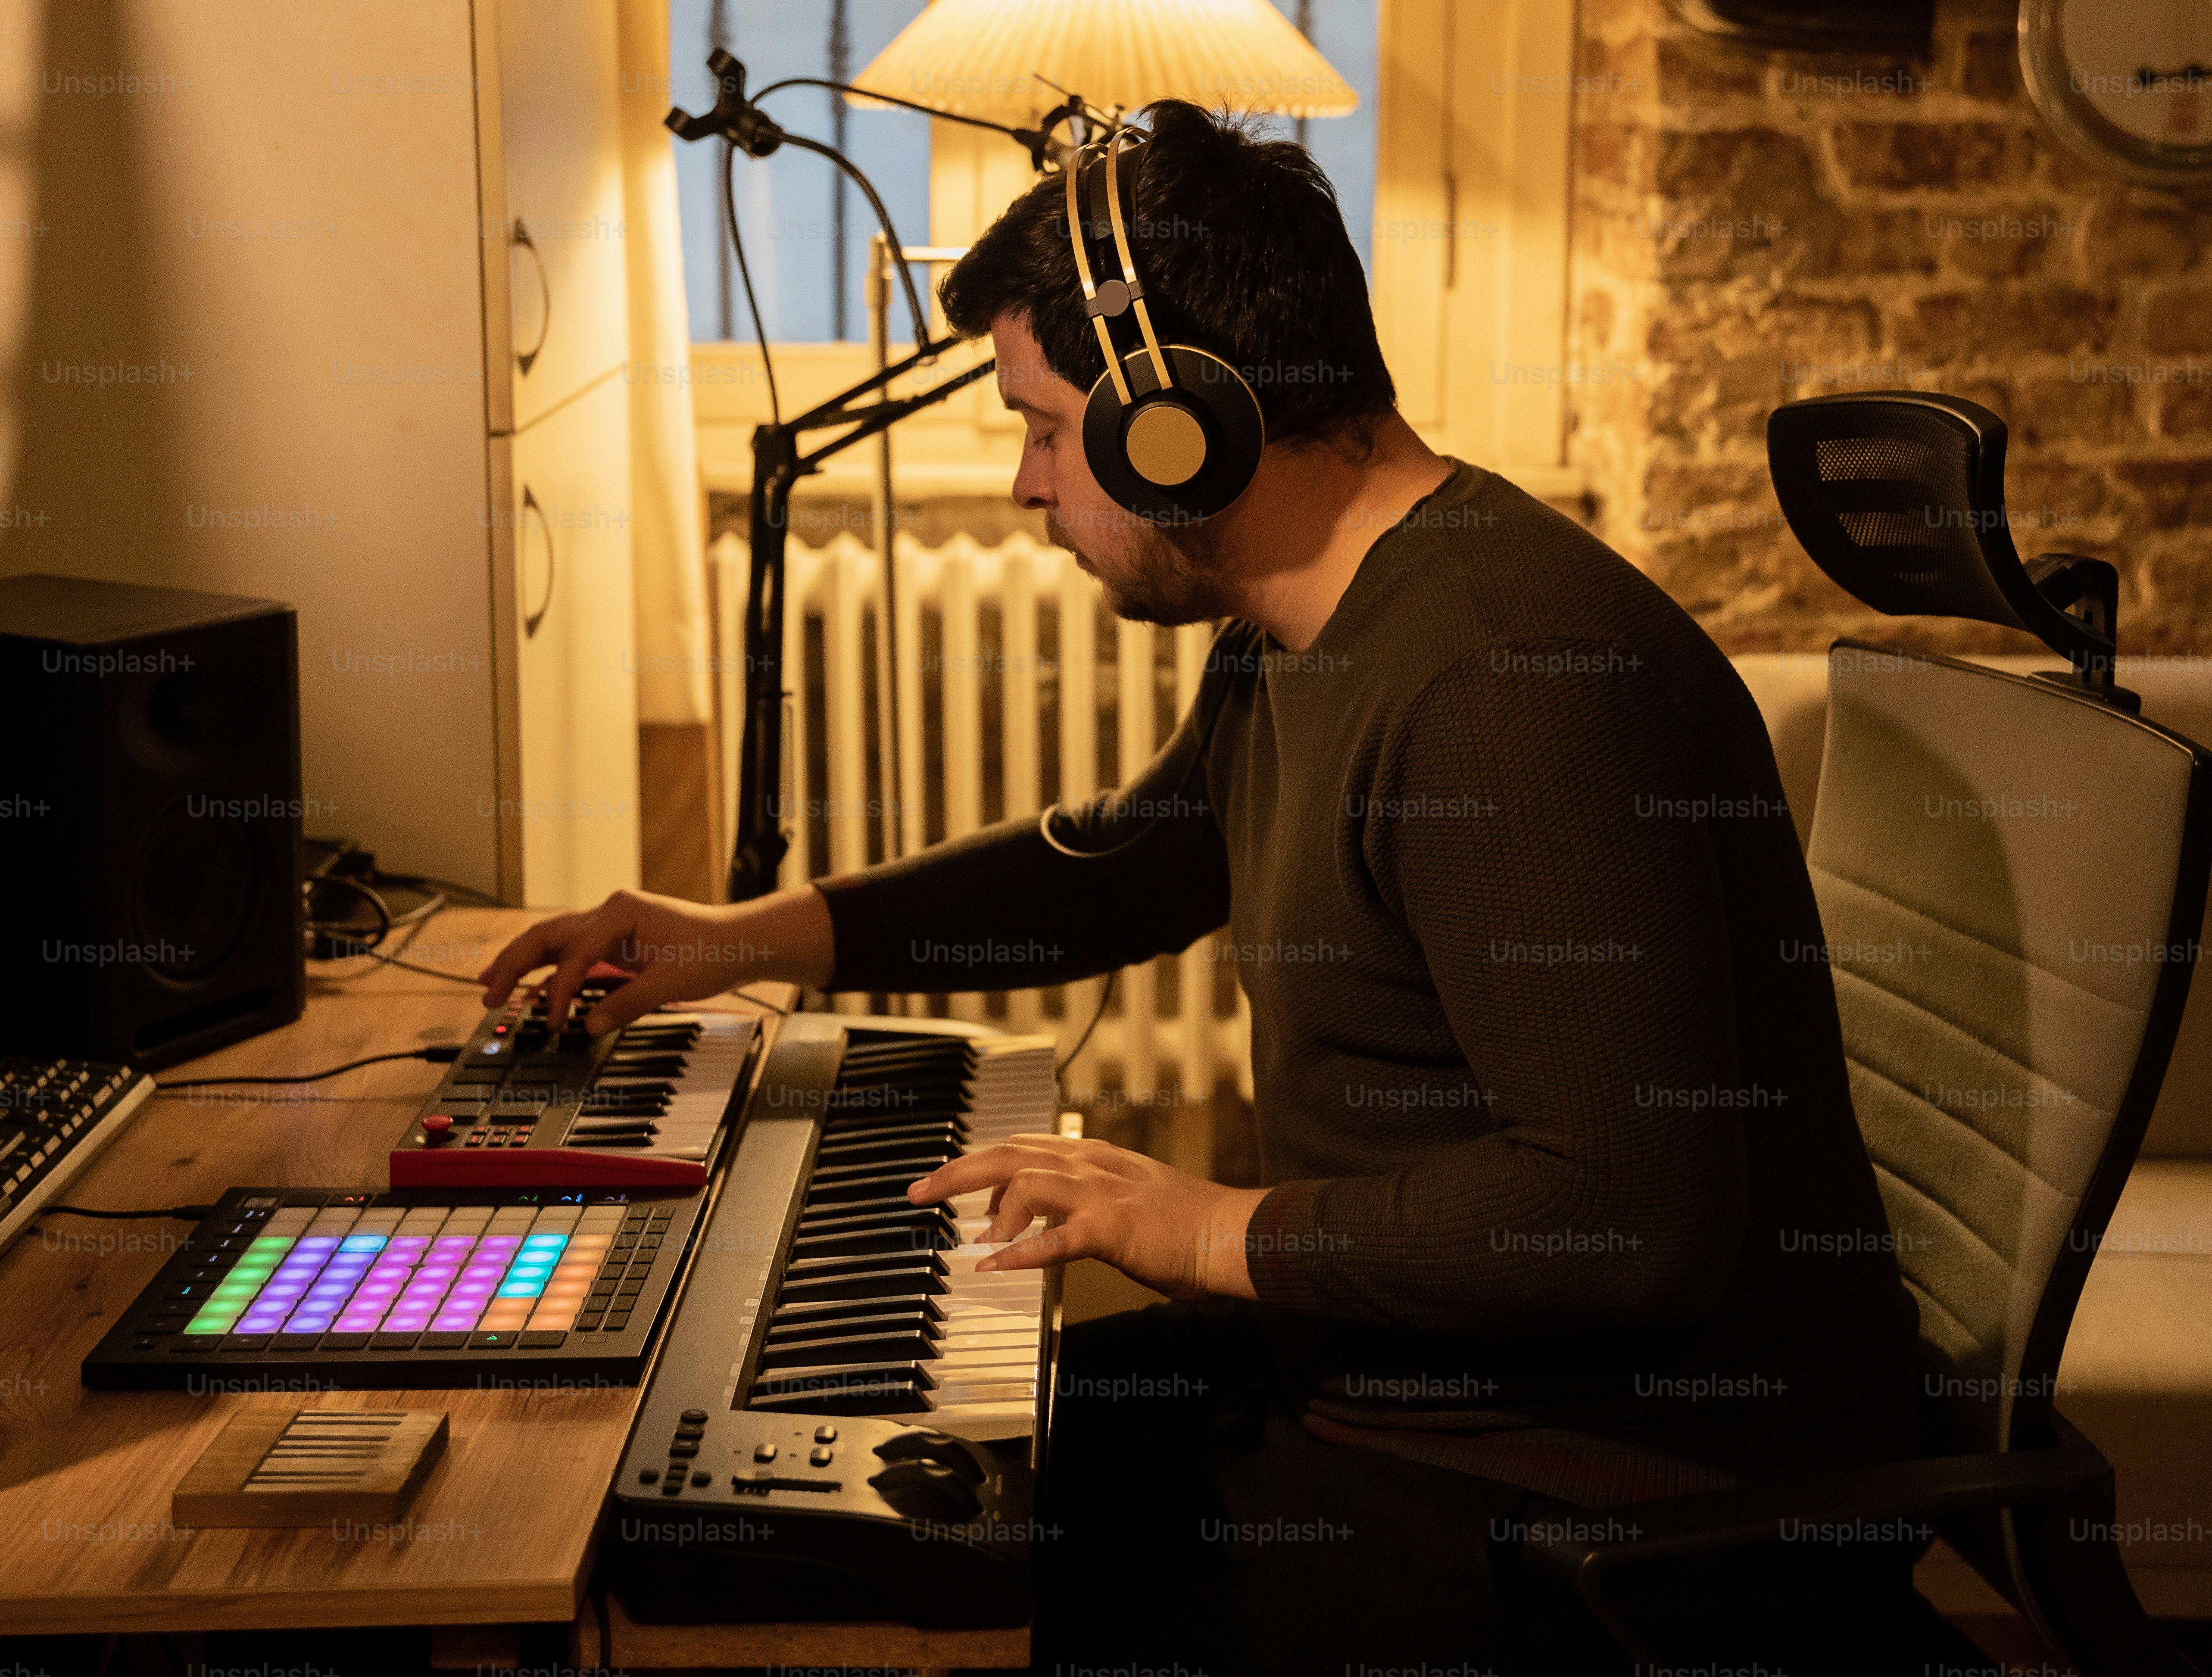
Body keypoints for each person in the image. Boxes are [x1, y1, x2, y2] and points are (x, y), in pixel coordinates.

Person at [480, 103, 1987, 1674]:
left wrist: (1211, 1229)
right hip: (1410, 1381)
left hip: (1614, 1486)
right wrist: (738, 940)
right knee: (853, 1504)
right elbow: (1129, 868)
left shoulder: (1508, 681)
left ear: (1175, 423)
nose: (1020, 485)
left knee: (903, 1609)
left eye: (1048, 429)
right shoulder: (1308, 628)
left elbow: (1626, 1216)